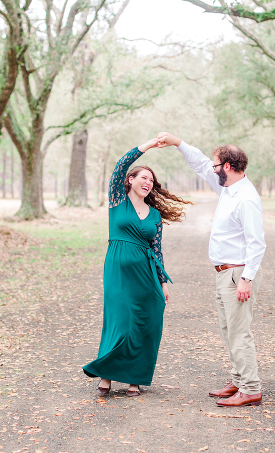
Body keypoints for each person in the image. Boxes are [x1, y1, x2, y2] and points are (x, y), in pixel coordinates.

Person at [156, 132, 266, 407]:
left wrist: (246, 279)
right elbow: (201, 164)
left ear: (228, 166)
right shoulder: (228, 188)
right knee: (228, 329)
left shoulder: (246, 199)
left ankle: (251, 388)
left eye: (217, 165)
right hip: (223, 273)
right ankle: (239, 379)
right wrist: (177, 143)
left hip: (237, 273)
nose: (212, 169)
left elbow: (257, 243)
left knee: (240, 332)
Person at [83, 138, 192, 397]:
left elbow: (156, 250)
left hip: (146, 275)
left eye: (151, 181)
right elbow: (120, 165)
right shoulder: (117, 200)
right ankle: (107, 374)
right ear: (130, 180)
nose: (148, 183)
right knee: (119, 321)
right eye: (143, 177)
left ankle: (135, 379)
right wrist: (149, 145)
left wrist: (162, 283)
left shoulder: (154, 216)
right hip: (118, 273)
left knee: (145, 324)